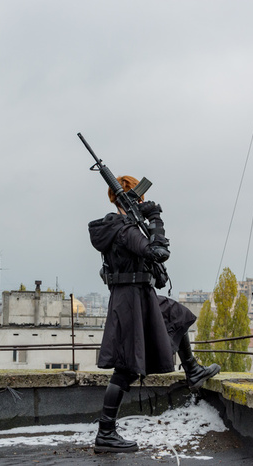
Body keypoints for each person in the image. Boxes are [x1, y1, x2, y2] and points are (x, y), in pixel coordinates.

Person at [88, 175, 220, 454]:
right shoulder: (124, 229)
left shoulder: (120, 227)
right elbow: (157, 252)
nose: (145, 202)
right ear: (134, 199)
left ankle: (193, 370)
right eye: (141, 199)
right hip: (130, 300)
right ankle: (106, 432)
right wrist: (156, 220)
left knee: (176, 314)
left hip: (138, 296)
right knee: (125, 368)